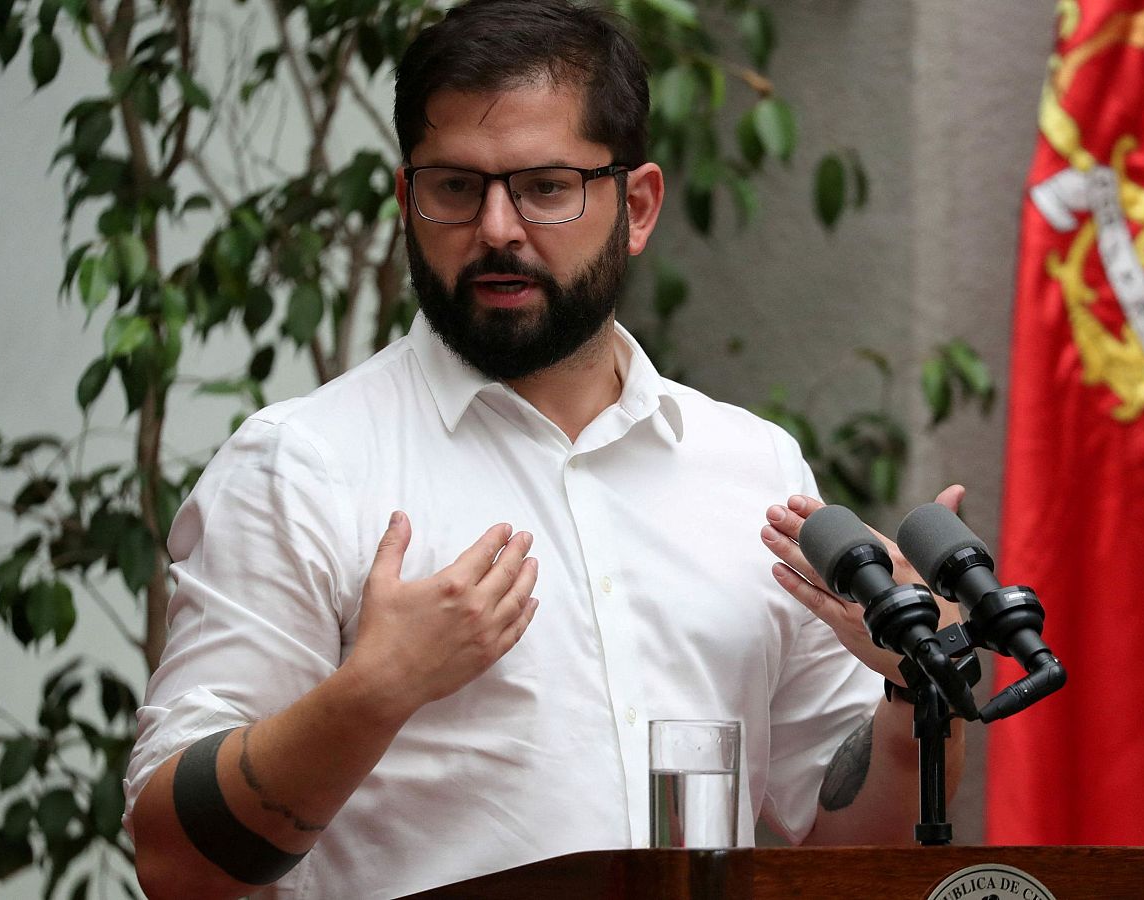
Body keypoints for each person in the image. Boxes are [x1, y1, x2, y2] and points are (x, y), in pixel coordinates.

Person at [123, 1, 964, 897]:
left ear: (635, 206)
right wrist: (375, 693)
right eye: (455, 187)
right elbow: (175, 862)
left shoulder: (750, 469)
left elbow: (851, 863)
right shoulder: (300, 468)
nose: (496, 228)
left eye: (546, 187)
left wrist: (916, 697)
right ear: (408, 201)